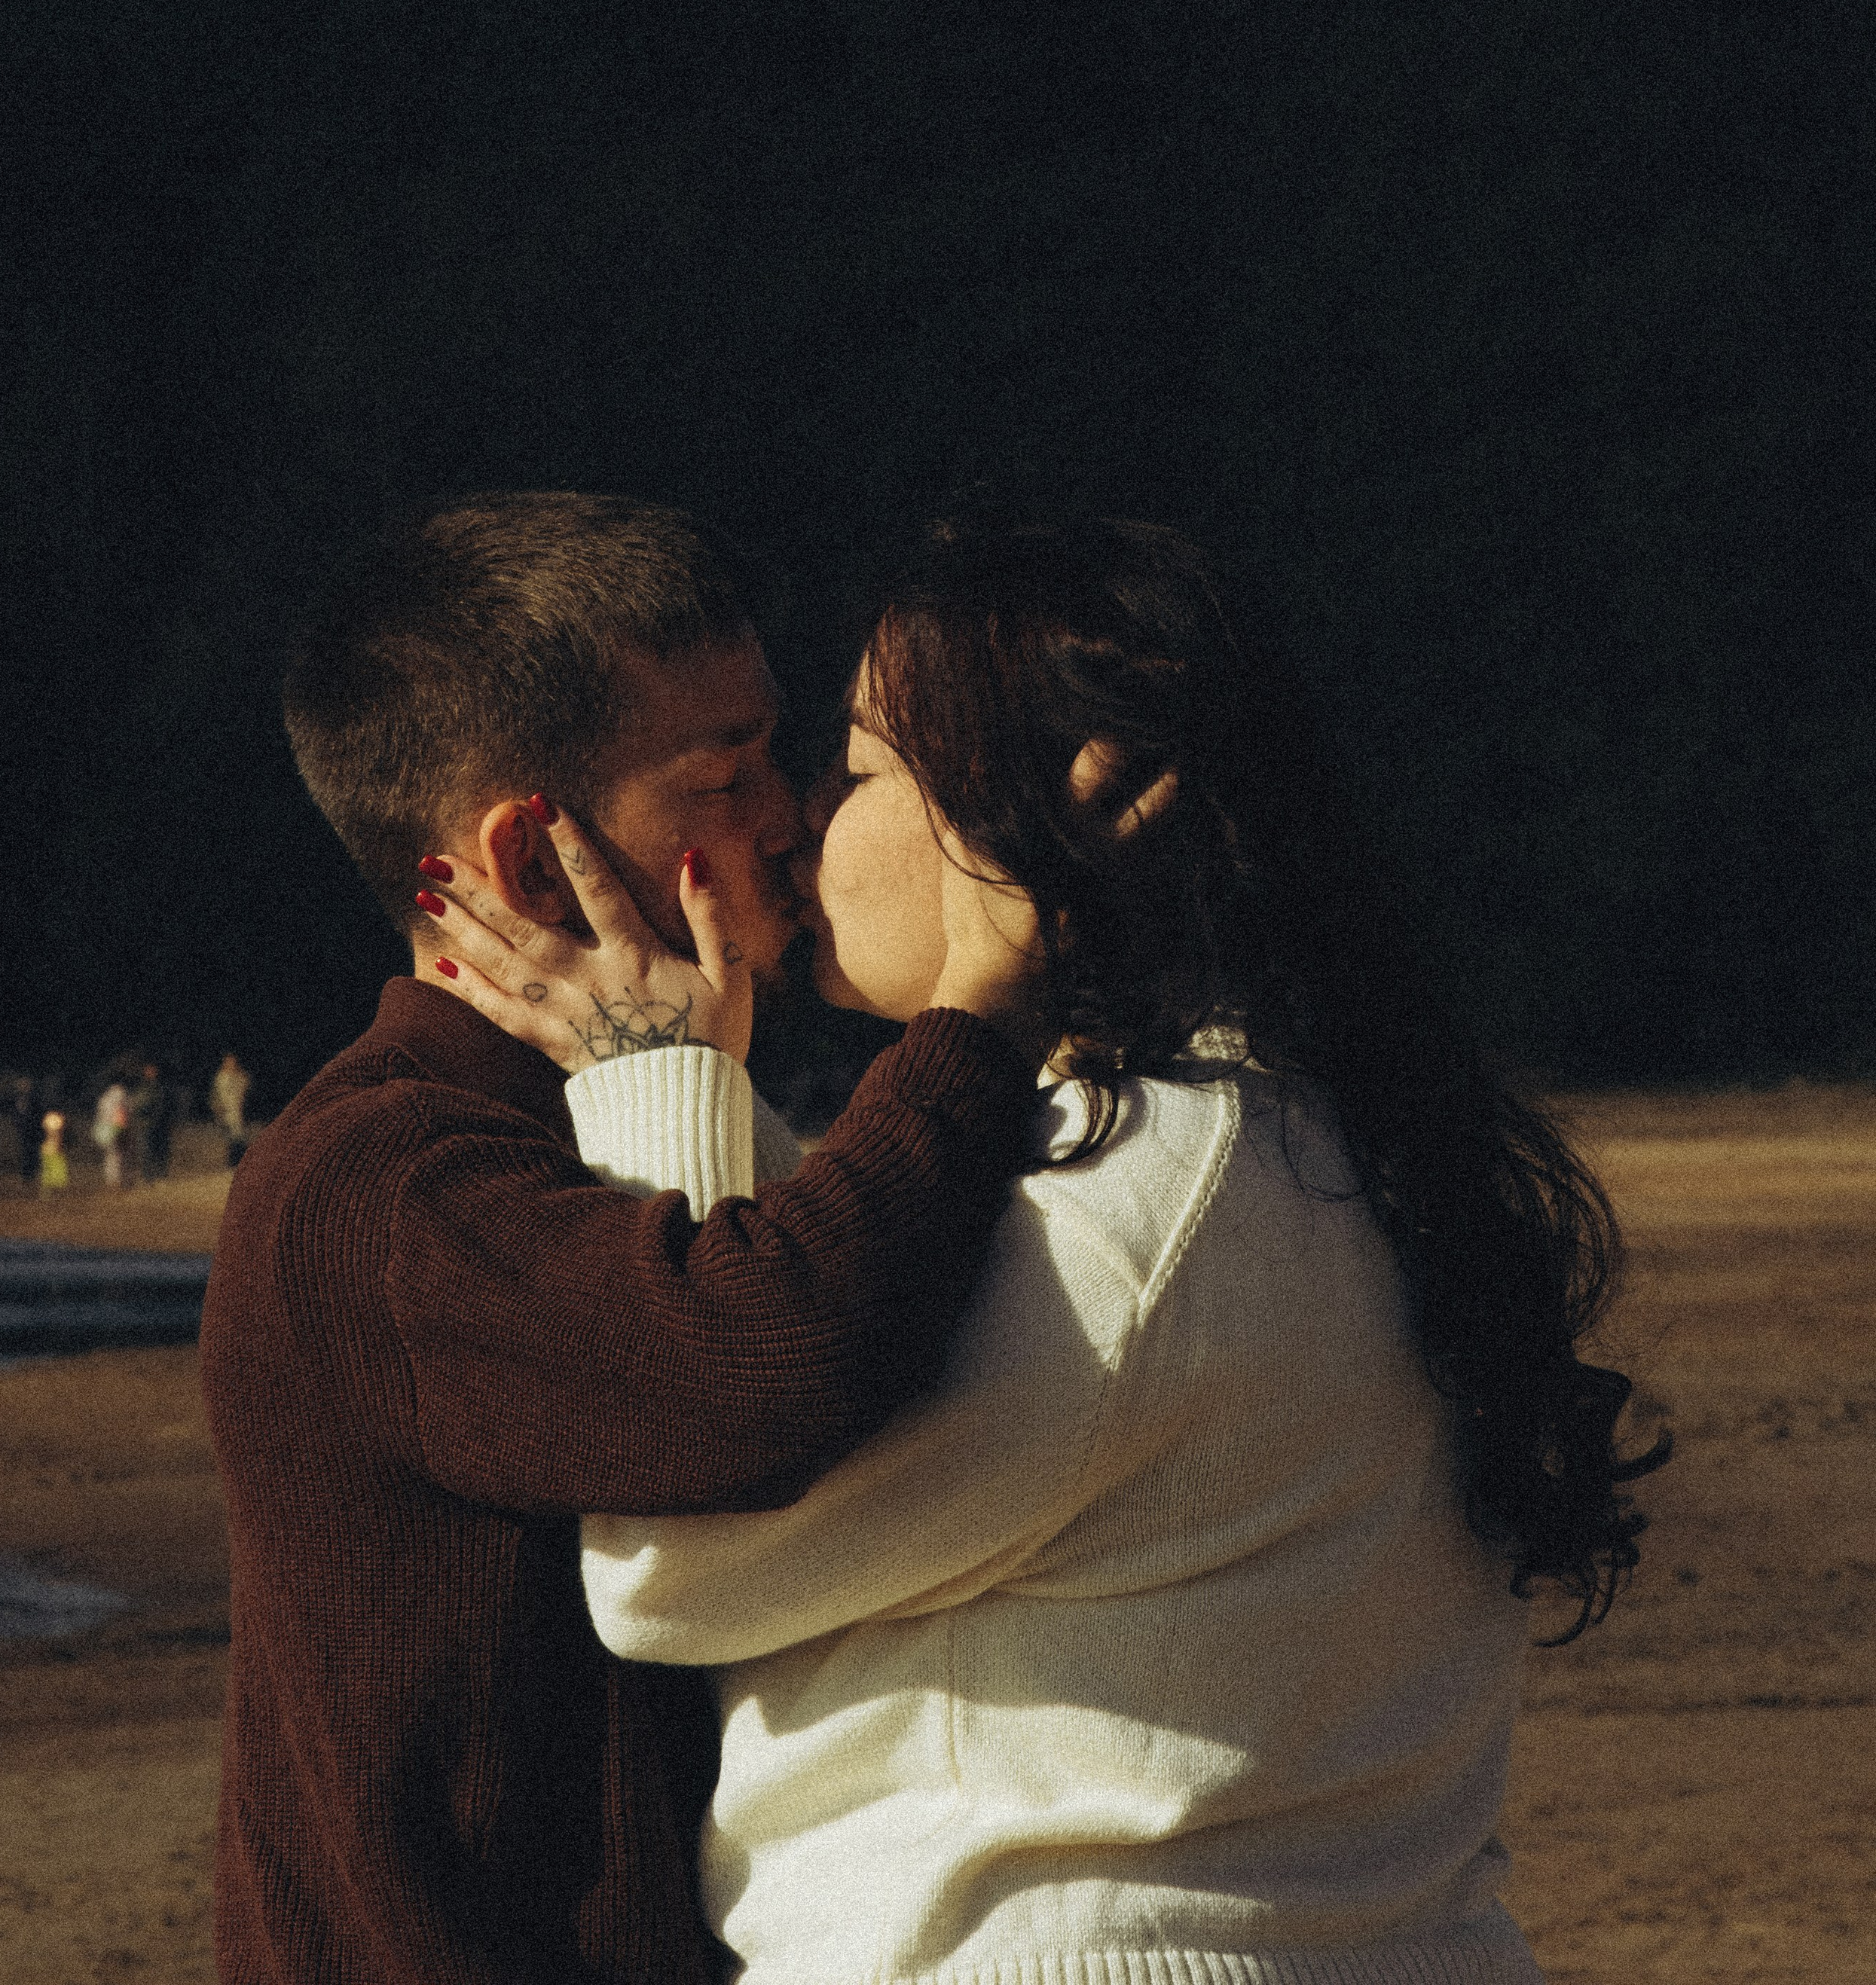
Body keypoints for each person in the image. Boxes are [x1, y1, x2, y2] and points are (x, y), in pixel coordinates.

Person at [435, 515, 1664, 1985]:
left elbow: (673, 1564)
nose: (810, 814)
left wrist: (652, 1085)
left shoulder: (1133, 1200)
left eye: (867, 765)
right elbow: (876, 1333)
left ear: (1030, 821)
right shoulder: (1284, 1141)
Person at [198, 491, 1045, 1985]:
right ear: (531, 867)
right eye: (726, 775)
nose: (790, 815)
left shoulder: (567, 1131)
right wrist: (981, 1015)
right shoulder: (384, 1182)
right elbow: (759, 1367)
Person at [209, 1051, 251, 1168]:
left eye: (233, 1062)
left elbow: (245, 1088)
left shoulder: (240, 1076)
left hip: (238, 1109)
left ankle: (240, 1161)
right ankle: (233, 1161)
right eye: (228, 1062)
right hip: (225, 1110)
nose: (231, 1064)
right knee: (231, 1136)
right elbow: (215, 1095)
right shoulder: (220, 1078)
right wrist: (216, 1106)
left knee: (239, 1135)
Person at [136, 1061, 178, 1180]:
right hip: (148, 1124)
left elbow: (170, 1105)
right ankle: (148, 1176)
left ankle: (162, 1174)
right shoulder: (142, 1087)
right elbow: (139, 1106)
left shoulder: (163, 1086)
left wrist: (171, 1120)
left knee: (162, 1150)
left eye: (153, 1070)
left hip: (162, 1123)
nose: (151, 1072)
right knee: (147, 1151)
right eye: (149, 1070)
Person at [91, 1077, 130, 1189]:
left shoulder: (104, 1098)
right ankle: (116, 1181)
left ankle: (111, 1180)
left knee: (111, 1156)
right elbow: (121, 1114)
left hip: (103, 1129)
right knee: (117, 1156)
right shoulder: (119, 1095)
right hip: (114, 1129)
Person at [38, 1105, 69, 1192]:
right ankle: (57, 1188)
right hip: (53, 1147)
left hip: (45, 1147)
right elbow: (56, 1135)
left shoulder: (47, 1118)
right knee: (57, 1167)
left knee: (47, 1169)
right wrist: (59, 1145)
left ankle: (47, 1189)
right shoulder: (56, 1119)